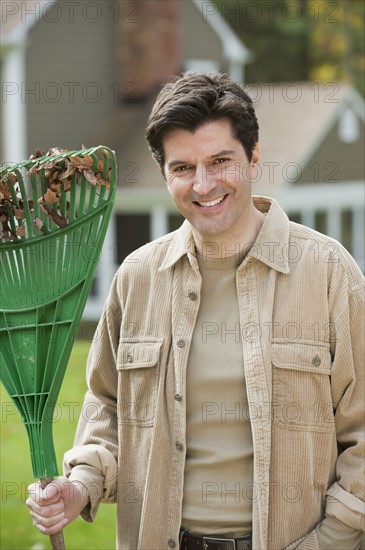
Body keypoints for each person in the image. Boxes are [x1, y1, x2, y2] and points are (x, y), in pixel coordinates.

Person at [26, 72, 364, 549]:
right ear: (165, 174)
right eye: (182, 168)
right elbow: (106, 408)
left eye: (220, 160)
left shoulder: (329, 274)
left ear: (254, 158)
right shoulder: (138, 278)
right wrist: (81, 485)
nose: (203, 184)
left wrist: (331, 540)